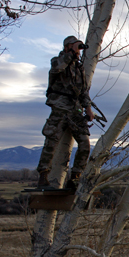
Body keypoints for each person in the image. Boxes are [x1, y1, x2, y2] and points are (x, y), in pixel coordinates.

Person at [36, 35, 94, 188]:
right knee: (51, 142)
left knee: (84, 143)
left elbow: (83, 91)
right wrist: (70, 53)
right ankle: (43, 176)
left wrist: (88, 109)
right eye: (76, 47)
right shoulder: (58, 60)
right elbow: (57, 68)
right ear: (67, 47)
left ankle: (75, 177)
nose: (78, 51)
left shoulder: (79, 68)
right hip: (60, 108)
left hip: (75, 110)